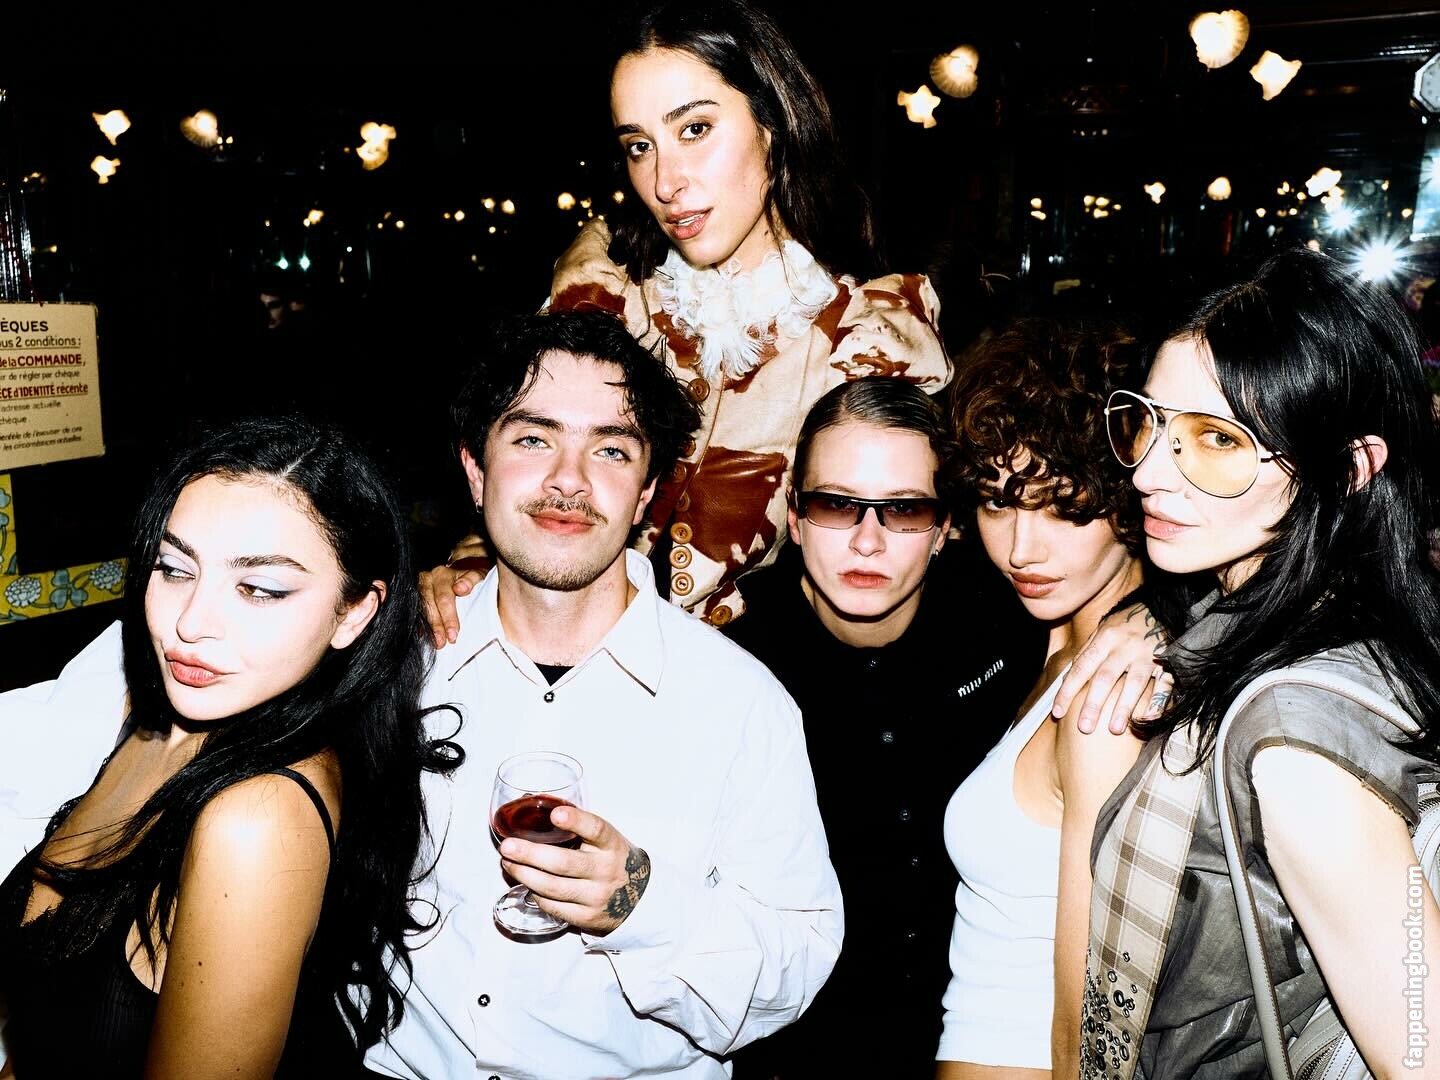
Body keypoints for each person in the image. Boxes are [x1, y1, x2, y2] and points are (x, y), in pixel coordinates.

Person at [364, 311, 842, 1079]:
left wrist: (637, 903)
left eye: (611, 449)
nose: (570, 479)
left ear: (647, 490)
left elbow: (793, 975)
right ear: (475, 471)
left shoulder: (741, 705)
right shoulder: (395, 663)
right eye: (533, 439)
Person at [425, 0, 950, 635]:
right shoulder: (605, 304)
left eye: (695, 129)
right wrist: (469, 568)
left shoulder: (865, 340)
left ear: (773, 125)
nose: (664, 181)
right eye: (639, 146)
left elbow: (911, 555)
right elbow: (525, 485)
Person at [724, 367, 1170, 1079]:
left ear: (943, 528)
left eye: (904, 510)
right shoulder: (732, 674)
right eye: (837, 505)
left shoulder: (1013, 620)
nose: (867, 542)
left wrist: (1155, 616)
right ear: (794, 513)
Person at [0, 416, 456, 1076]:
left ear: (354, 613)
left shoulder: (257, 819)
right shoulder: (154, 713)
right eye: (174, 568)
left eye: (259, 589)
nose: (190, 623)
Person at [1081, 248, 1440, 1078]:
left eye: (1216, 439)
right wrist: (1145, 613)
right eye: (1150, 421)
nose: (1149, 471)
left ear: (1351, 470)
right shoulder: (1272, 614)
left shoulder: (1297, 747)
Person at [937, 320, 1152, 1080]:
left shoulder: (1111, 695)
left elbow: (1094, 1007)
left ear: (1131, 500)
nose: (1021, 549)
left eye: (1064, 507)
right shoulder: (1049, 638)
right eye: (997, 504)